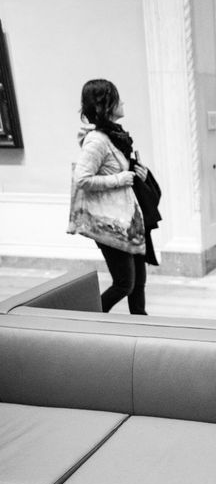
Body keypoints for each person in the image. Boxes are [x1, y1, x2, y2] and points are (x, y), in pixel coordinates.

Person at [71, 79, 159, 314]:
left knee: (138, 284)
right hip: (111, 223)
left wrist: (140, 172)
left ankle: (140, 326)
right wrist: (120, 179)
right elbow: (81, 178)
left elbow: (118, 169)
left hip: (129, 220)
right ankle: (91, 318)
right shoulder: (97, 140)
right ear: (104, 106)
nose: (123, 102)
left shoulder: (115, 136)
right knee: (124, 284)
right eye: (118, 98)